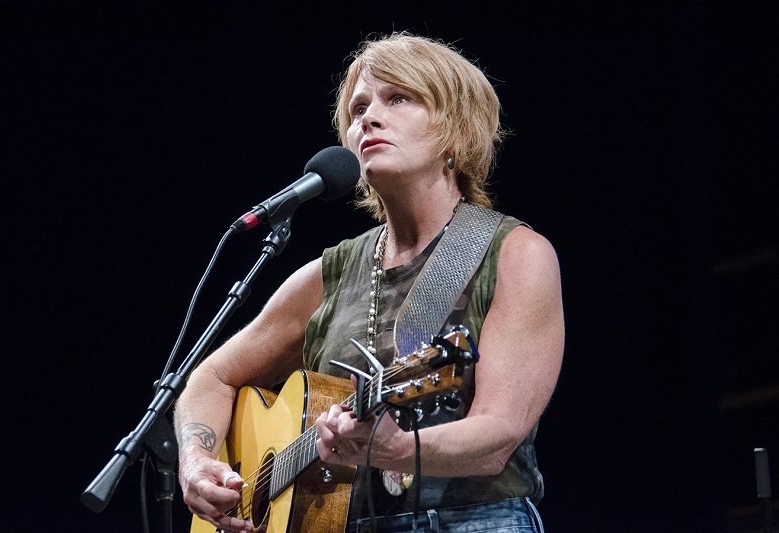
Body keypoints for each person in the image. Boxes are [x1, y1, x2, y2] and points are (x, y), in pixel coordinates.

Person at [174, 32, 564, 532]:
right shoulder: (326, 275)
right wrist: (197, 460)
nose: (368, 119)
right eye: (358, 109)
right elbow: (210, 376)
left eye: (398, 98)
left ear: (457, 128)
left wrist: (399, 450)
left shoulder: (513, 254)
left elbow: (500, 434)